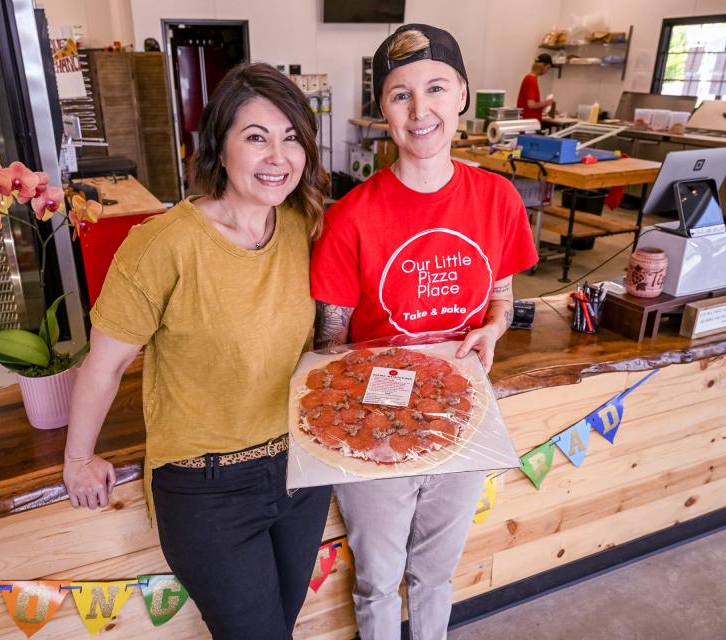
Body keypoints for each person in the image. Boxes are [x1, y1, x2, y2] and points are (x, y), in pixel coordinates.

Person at [62, 62, 332, 640]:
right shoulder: (162, 244)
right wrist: (79, 457)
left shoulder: (301, 225)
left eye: (291, 138)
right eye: (256, 137)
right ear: (218, 147)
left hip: (302, 471)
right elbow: (104, 365)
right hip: (208, 489)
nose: (277, 157)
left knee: (280, 627)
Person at [310, 24, 538, 640]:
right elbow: (330, 345)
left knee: (435, 577)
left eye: (435, 88)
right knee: (378, 580)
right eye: (400, 94)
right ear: (382, 109)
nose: (420, 110)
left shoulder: (497, 199)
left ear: (462, 94)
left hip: (462, 418)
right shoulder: (348, 217)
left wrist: (493, 329)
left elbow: (503, 298)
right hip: (373, 426)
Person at [517, 53, 555, 121]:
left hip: (529, 121)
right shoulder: (531, 80)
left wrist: (543, 107)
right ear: (542, 66)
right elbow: (531, 105)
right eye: (547, 68)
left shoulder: (530, 78)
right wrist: (547, 102)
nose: (547, 71)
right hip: (529, 122)